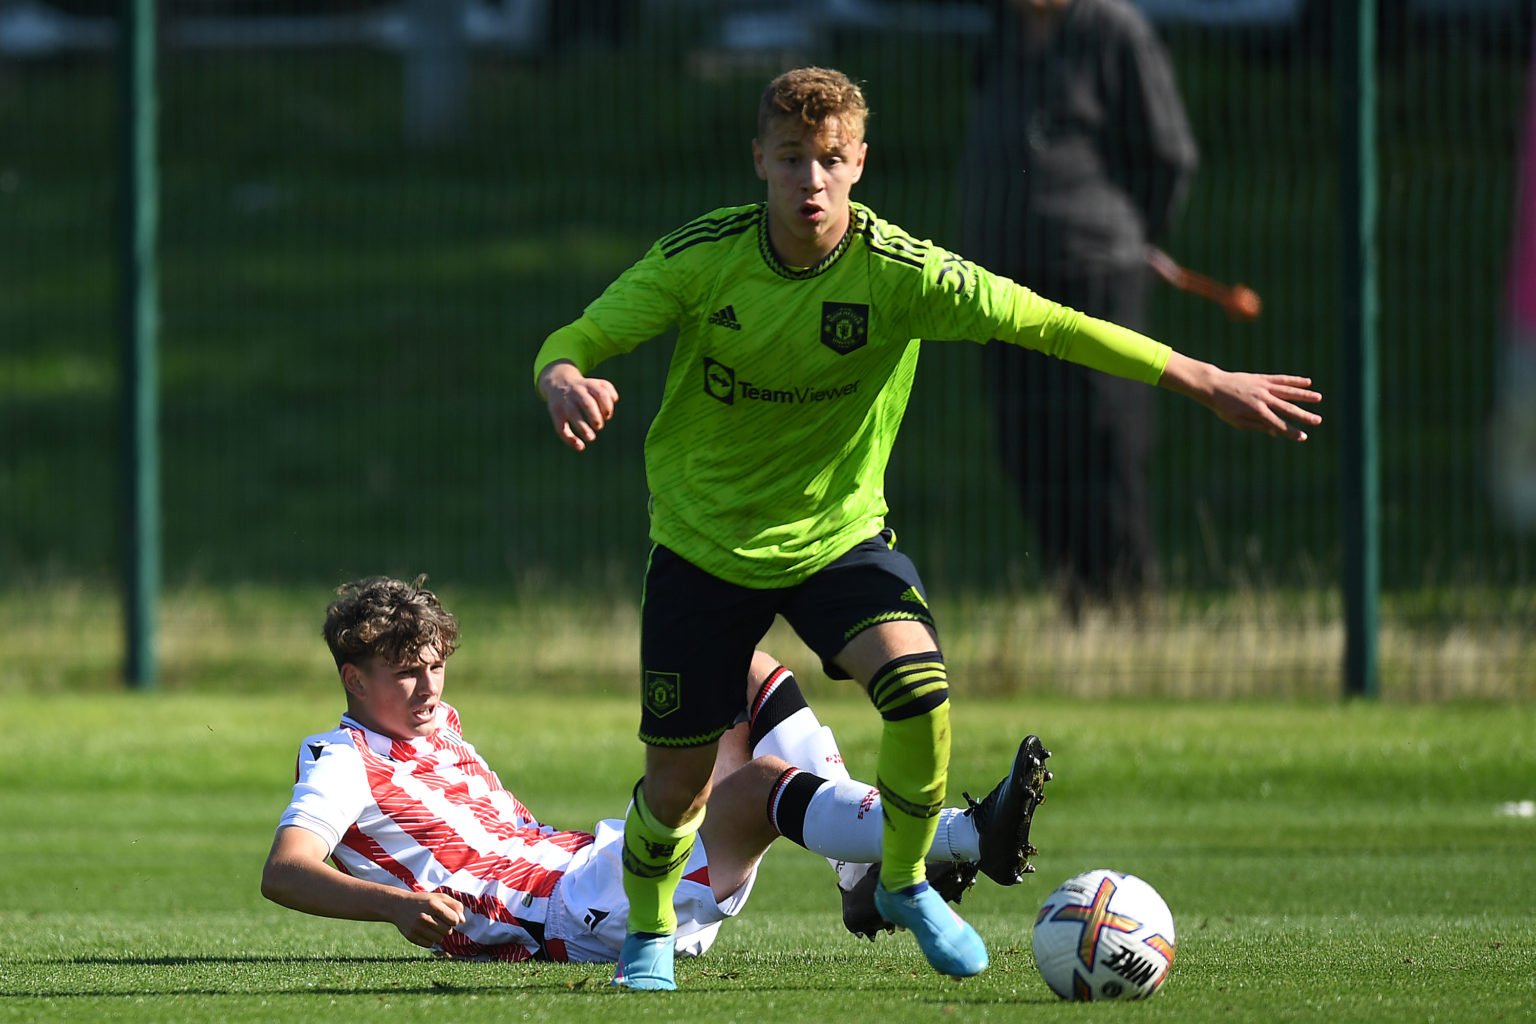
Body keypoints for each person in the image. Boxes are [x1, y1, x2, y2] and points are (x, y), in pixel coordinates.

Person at [534, 66, 1319, 989]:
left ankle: (903, 879)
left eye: (830, 159)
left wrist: (1204, 379)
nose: (811, 180)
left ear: (860, 161)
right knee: (677, 788)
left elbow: (1053, 324)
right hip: (703, 548)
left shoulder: (901, 274)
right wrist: (562, 379)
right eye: (791, 159)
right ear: (760, 162)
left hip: (835, 540)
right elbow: (576, 338)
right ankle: (650, 936)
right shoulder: (702, 260)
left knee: (917, 685)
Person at [260, 575, 1049, 967]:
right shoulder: (343, 758)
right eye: (405, 674)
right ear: (353, 681)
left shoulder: (435, 727)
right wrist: (396, 907)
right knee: (763, 788)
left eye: (434, 666)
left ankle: (857, 878)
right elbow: (286, 872)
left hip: (594, 869)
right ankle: (968, 836)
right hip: (566, 915)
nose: (429, 687)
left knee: (744, 668)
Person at [960, 0, 1199, 619]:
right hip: (1004, 286)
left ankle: (1130, 611)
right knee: (1028, 445)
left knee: (1106, 443)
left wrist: (1124, 236)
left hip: (1095, 277)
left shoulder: (1115, 30)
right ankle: (1076, 608)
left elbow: (1168, 156)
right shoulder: (1001, 31)